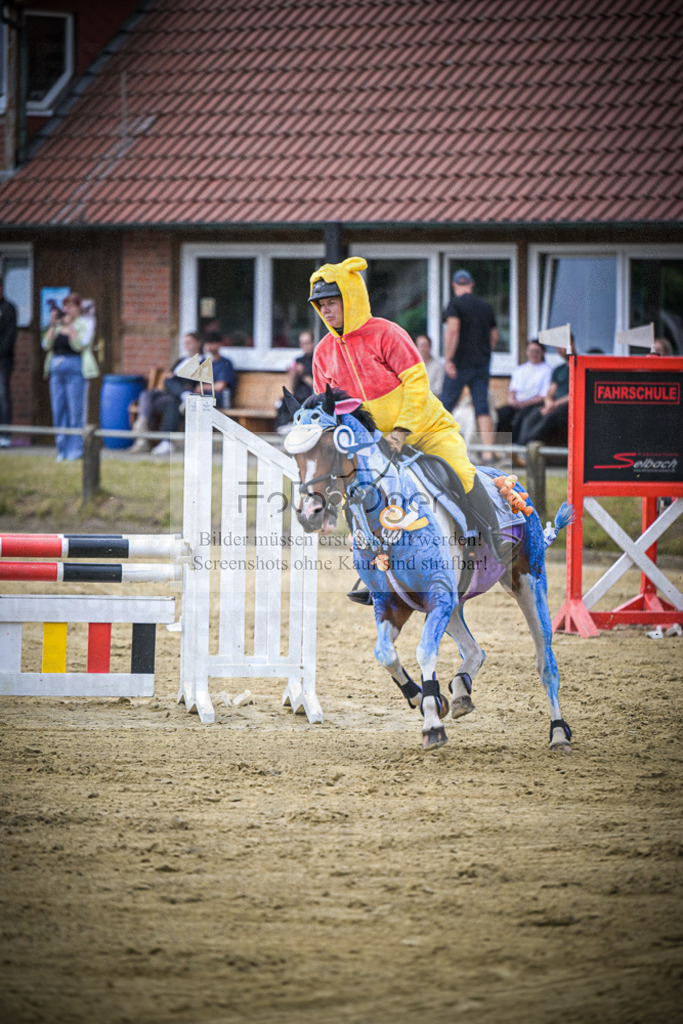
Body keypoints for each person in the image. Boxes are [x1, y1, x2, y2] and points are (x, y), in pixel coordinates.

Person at [308, 257, 515, 588]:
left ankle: (492, 541)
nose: (326, 309)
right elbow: (328, 409)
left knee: (462, 473)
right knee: (360, 491)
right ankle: (374, 572)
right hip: (373, 444)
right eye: (321, 304)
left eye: (332, 302)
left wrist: (402, 431)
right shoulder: (322, 353)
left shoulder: (387, 333)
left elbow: (418, 383)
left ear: (350, 299)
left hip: (426, 430)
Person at [439, 269, 498, 461]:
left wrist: (448, 359)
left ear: (454, 286)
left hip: (459, 364)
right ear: (471, 285)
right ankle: (487, 452)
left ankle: (438, 448)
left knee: (445, 406)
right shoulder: (485, 306)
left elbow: (453, 331)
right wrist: (484, 352)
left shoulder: (455, 304)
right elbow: (494, 337)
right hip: (481, 364)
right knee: (482, 408)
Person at [41, 292, 99, 462]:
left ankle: (76, 450)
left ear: (78, 308)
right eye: (65, 306)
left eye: (70, 306)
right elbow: (46, 344)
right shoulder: (57, 324)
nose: (66, 309)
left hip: (76, 371)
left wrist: (71, 327)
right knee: (58, 410)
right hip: (56, 370)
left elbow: (80, 345)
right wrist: (53, 324)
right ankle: (62, 449)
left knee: (75, 412)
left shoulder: (85, 323)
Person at [130, 331, 204, 455]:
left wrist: (175, 379)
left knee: (172, 397)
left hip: (178, 397)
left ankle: (145, 440)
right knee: (146, 394)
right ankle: (142, 423)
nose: (187, 345)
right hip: (171, 394)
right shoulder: (181, 360)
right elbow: (169, 376)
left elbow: (194, 382)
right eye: (185, 343)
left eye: (190, 342)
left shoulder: (203, 361)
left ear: (198, 343)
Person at [518, 335, 575, 448]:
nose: (559, 349)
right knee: (532, 415)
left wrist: (554, 404)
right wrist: (548, 402)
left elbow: (576, 393)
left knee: (548, 418)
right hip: (554, 404)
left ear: (572, 345)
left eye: (563, 346)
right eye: (558, 347)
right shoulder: (558, 369)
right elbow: (551, 391)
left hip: (568, 406)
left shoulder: (579, 365)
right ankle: (519, 448)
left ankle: (524, 448)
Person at [496, 338, 552, 449]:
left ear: (543, 352)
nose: (533, 354)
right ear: (527, 352)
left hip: (534, 404)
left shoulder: (547, 370)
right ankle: (493, 448)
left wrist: (523, 403)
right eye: (531, 351)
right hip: (516, 403)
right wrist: (512, 400)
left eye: (537, 351)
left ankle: (515, 448)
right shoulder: (519, 369)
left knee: (521, 417)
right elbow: (512, 389)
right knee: (499, 415)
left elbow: (543, 396)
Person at [275, 330, 316, 431]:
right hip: (299, 395)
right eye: (302, 343)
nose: (304, 346)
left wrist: (303, 374)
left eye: (307, 343)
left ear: (313, 343)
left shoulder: (317, 360)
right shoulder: (299, 360)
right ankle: (282, 428)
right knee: (283, 402)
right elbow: (292, 387)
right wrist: (293, 374)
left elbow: (316, 386)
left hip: (311, 396)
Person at [196, 330, 236, 409]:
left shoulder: (225, 363)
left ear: (219, 345)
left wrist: (202, 387)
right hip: (204, 397)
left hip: (219, 398)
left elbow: (220, 386)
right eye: (207, 343)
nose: (209, 347)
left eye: (212, 343)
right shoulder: (204, 362)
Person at [0, 277, 18, 449]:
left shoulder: (9, 308)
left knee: (3, 396)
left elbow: (10, 336)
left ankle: (5, 435)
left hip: (3, 361)